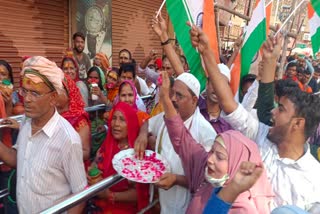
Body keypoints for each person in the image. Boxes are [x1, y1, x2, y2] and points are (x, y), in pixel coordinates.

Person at [189, 23, 320, 212]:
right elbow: (228, 103)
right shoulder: (260, 137)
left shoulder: (315, 180)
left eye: (281, 109)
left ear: (298, 123)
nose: (272, 113)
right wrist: (207, 53)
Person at [159, 70, 274, 213]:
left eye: (220, 156)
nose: (210, 159)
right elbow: (181, 138)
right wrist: (165, 99)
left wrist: (230, 192)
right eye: (211, 151)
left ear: (236, 164)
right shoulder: (206, 176)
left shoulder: (242, 208)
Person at [0, 56, 87, 213]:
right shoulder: (27, 122)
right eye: (24, 91)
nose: (26, 99)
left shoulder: (68, 139)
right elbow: (17, 158)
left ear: (53, 97)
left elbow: (79, 196)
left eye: (35, 93)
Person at [135, 71, 217, 214]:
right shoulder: (166, 116)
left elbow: (207, 180)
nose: (173, 99)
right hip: (160, 199)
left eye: (179, 95)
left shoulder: (206, 132)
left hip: (186, 206)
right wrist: (142, 135)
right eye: (172, 93)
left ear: (194, 100)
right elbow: (147, 123)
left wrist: (177, 180)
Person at [88, 102, 149, 214]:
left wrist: (110, 195)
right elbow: (94, 166)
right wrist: (93, 175)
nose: (116, 124)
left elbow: (139, 193)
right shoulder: (106, 145)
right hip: (98, 204)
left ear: (131, 123)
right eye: (114, 118)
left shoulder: (137, 153)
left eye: (122, 119)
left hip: (123, 208)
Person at [56, 74, 91, 165]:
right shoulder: (50, 114)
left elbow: (85, 152)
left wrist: (60, 156)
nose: (55, 93)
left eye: (59, 89)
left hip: (73, 168)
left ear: (69, 93)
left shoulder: (79, 119)